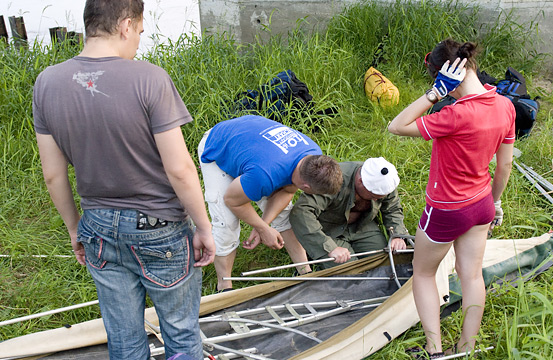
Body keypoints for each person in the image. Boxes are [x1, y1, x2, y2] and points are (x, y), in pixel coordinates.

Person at [33, 1, 215, 359]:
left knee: (124, 339)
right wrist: (204, 227)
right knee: (180, 333)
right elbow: (179, 169)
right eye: (141, 32)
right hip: (159, 227)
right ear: (126, 26)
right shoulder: (149, 78)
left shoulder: (46, 82)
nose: (138, 43)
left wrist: (74, 229)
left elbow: (53, 174)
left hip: (97, 226)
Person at [388, 39, 515, 358]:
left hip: (446, 209)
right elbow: (505, 165)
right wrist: (495, 202)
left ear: (443, 75)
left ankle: (434, 350)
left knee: (424, 272)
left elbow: (396, 126)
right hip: (482, 203)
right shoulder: (505, 105)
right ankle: (467, 347)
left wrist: (435, 94)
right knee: (471, 274)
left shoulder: (455, 114)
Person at [198, 115, 343, 291]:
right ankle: (224, 286)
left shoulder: (312, 158)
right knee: (226, 222)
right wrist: (263, 229)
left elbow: (288, 190)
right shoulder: (264, 175)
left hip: (252, 141)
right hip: (218, 144)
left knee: (283, 213)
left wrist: (263, 223)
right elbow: (232, 200)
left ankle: (305, 273)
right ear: (306, 186)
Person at [289, 157, 408, 268]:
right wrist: (329, 247)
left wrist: (397, 235)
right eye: (373, 196)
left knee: (387, 263)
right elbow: (301, 212)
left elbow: (392, 208)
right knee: (351, 271)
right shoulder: (331, 179)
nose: (376, 200)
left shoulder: (384, 183)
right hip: (329, 231)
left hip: (362, 227)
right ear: (361, 181)